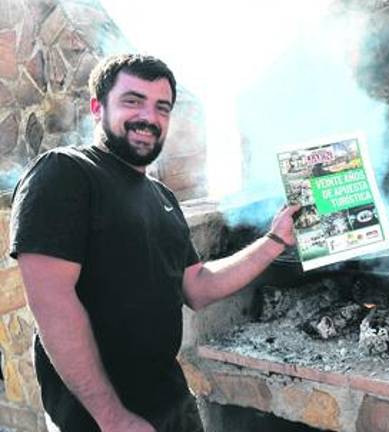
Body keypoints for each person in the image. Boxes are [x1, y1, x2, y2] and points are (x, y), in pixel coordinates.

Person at [8, 54, 298, 432]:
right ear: (98, 108)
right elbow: (52, 303)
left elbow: (197, 286)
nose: (149, 116)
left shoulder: (162, 197)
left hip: (170, 403)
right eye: (133, 101)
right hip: (97, 418)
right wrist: (112, 417)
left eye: (161, 107)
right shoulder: (66, 172)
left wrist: (275, 240)